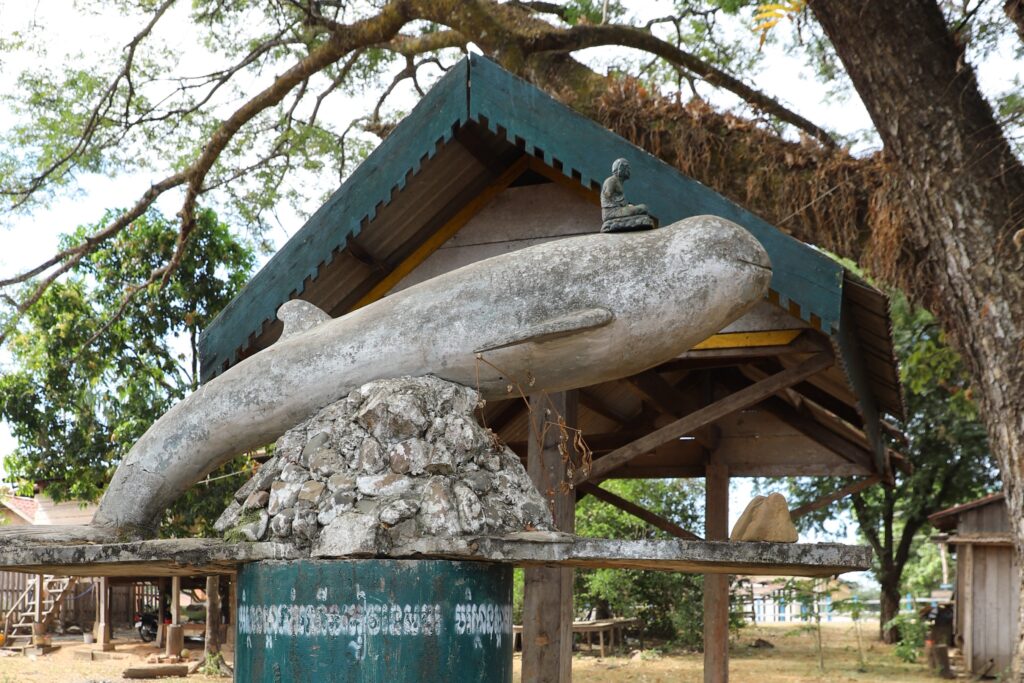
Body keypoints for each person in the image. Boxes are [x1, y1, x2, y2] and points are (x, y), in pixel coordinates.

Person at [600, 158, 655, 232]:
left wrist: (626, 206)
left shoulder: (618, 182)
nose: (629, 171)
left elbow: (619, 199)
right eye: (627, 168)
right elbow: (608, 195)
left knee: (643, 208)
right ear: (621, 168)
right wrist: (621, 205)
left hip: (618, 209)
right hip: (611, 212)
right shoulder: (611, 181)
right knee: (643, 208)